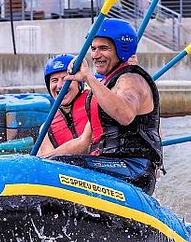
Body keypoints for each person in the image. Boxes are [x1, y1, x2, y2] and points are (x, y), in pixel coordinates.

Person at [47, 18, 162, 195]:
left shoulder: (131, 80)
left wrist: (89, 78)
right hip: (109, 162)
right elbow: (84, 142)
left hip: (134, 168)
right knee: (58, 161)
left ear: (121, 50)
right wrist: (41, 160)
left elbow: (125, 115)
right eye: (93, 49)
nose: (95, 55)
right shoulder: (106, 86)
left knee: (69, 164)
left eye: (104, 48)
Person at [37, 54, 90, 158]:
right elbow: (48, 165)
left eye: (66, 79)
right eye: (54, 80)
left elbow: (86, 143)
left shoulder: (94, 104)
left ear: (79, 84)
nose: (60, 85)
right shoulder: (46, 128)